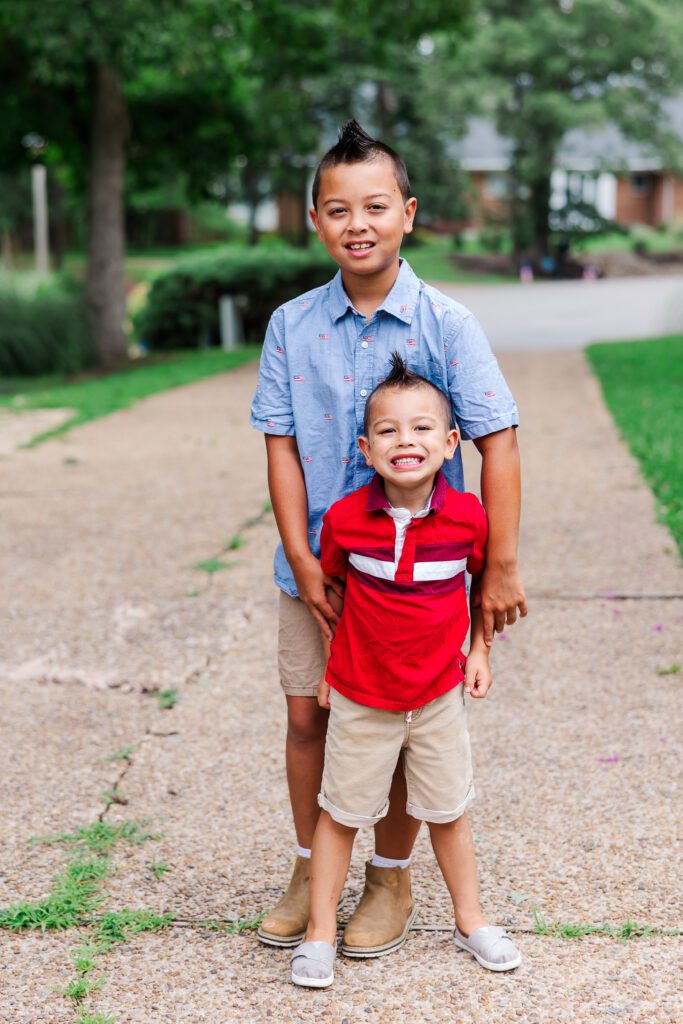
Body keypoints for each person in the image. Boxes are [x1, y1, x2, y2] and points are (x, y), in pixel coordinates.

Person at [250, 119, 526, 957]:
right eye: (338, 209)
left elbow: (498, 441)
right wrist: (301, 556)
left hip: (418, 580)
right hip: (321, 572)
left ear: (407, 213)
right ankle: (311, 866)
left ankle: (391, 874)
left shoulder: (446, 325)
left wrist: (500, 568)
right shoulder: (290, 325)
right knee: (309, 717)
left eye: (375, 206)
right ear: (314, 221)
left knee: (408, 721)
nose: (357, 223)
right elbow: (281, 445)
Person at [290, 354, 522, 987]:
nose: (405, 442)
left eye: (422, 429)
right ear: (366, 448)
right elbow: (335, 597)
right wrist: (333, 668)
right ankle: (317, 935)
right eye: (388, 431)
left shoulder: (470, 519)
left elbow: (480, 592)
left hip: (440, 695)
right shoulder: (343, 522)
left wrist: (480, 651)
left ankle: (470, 921)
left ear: (450, 445)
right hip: (363, 697)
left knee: (449, 809)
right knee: (339, 810)